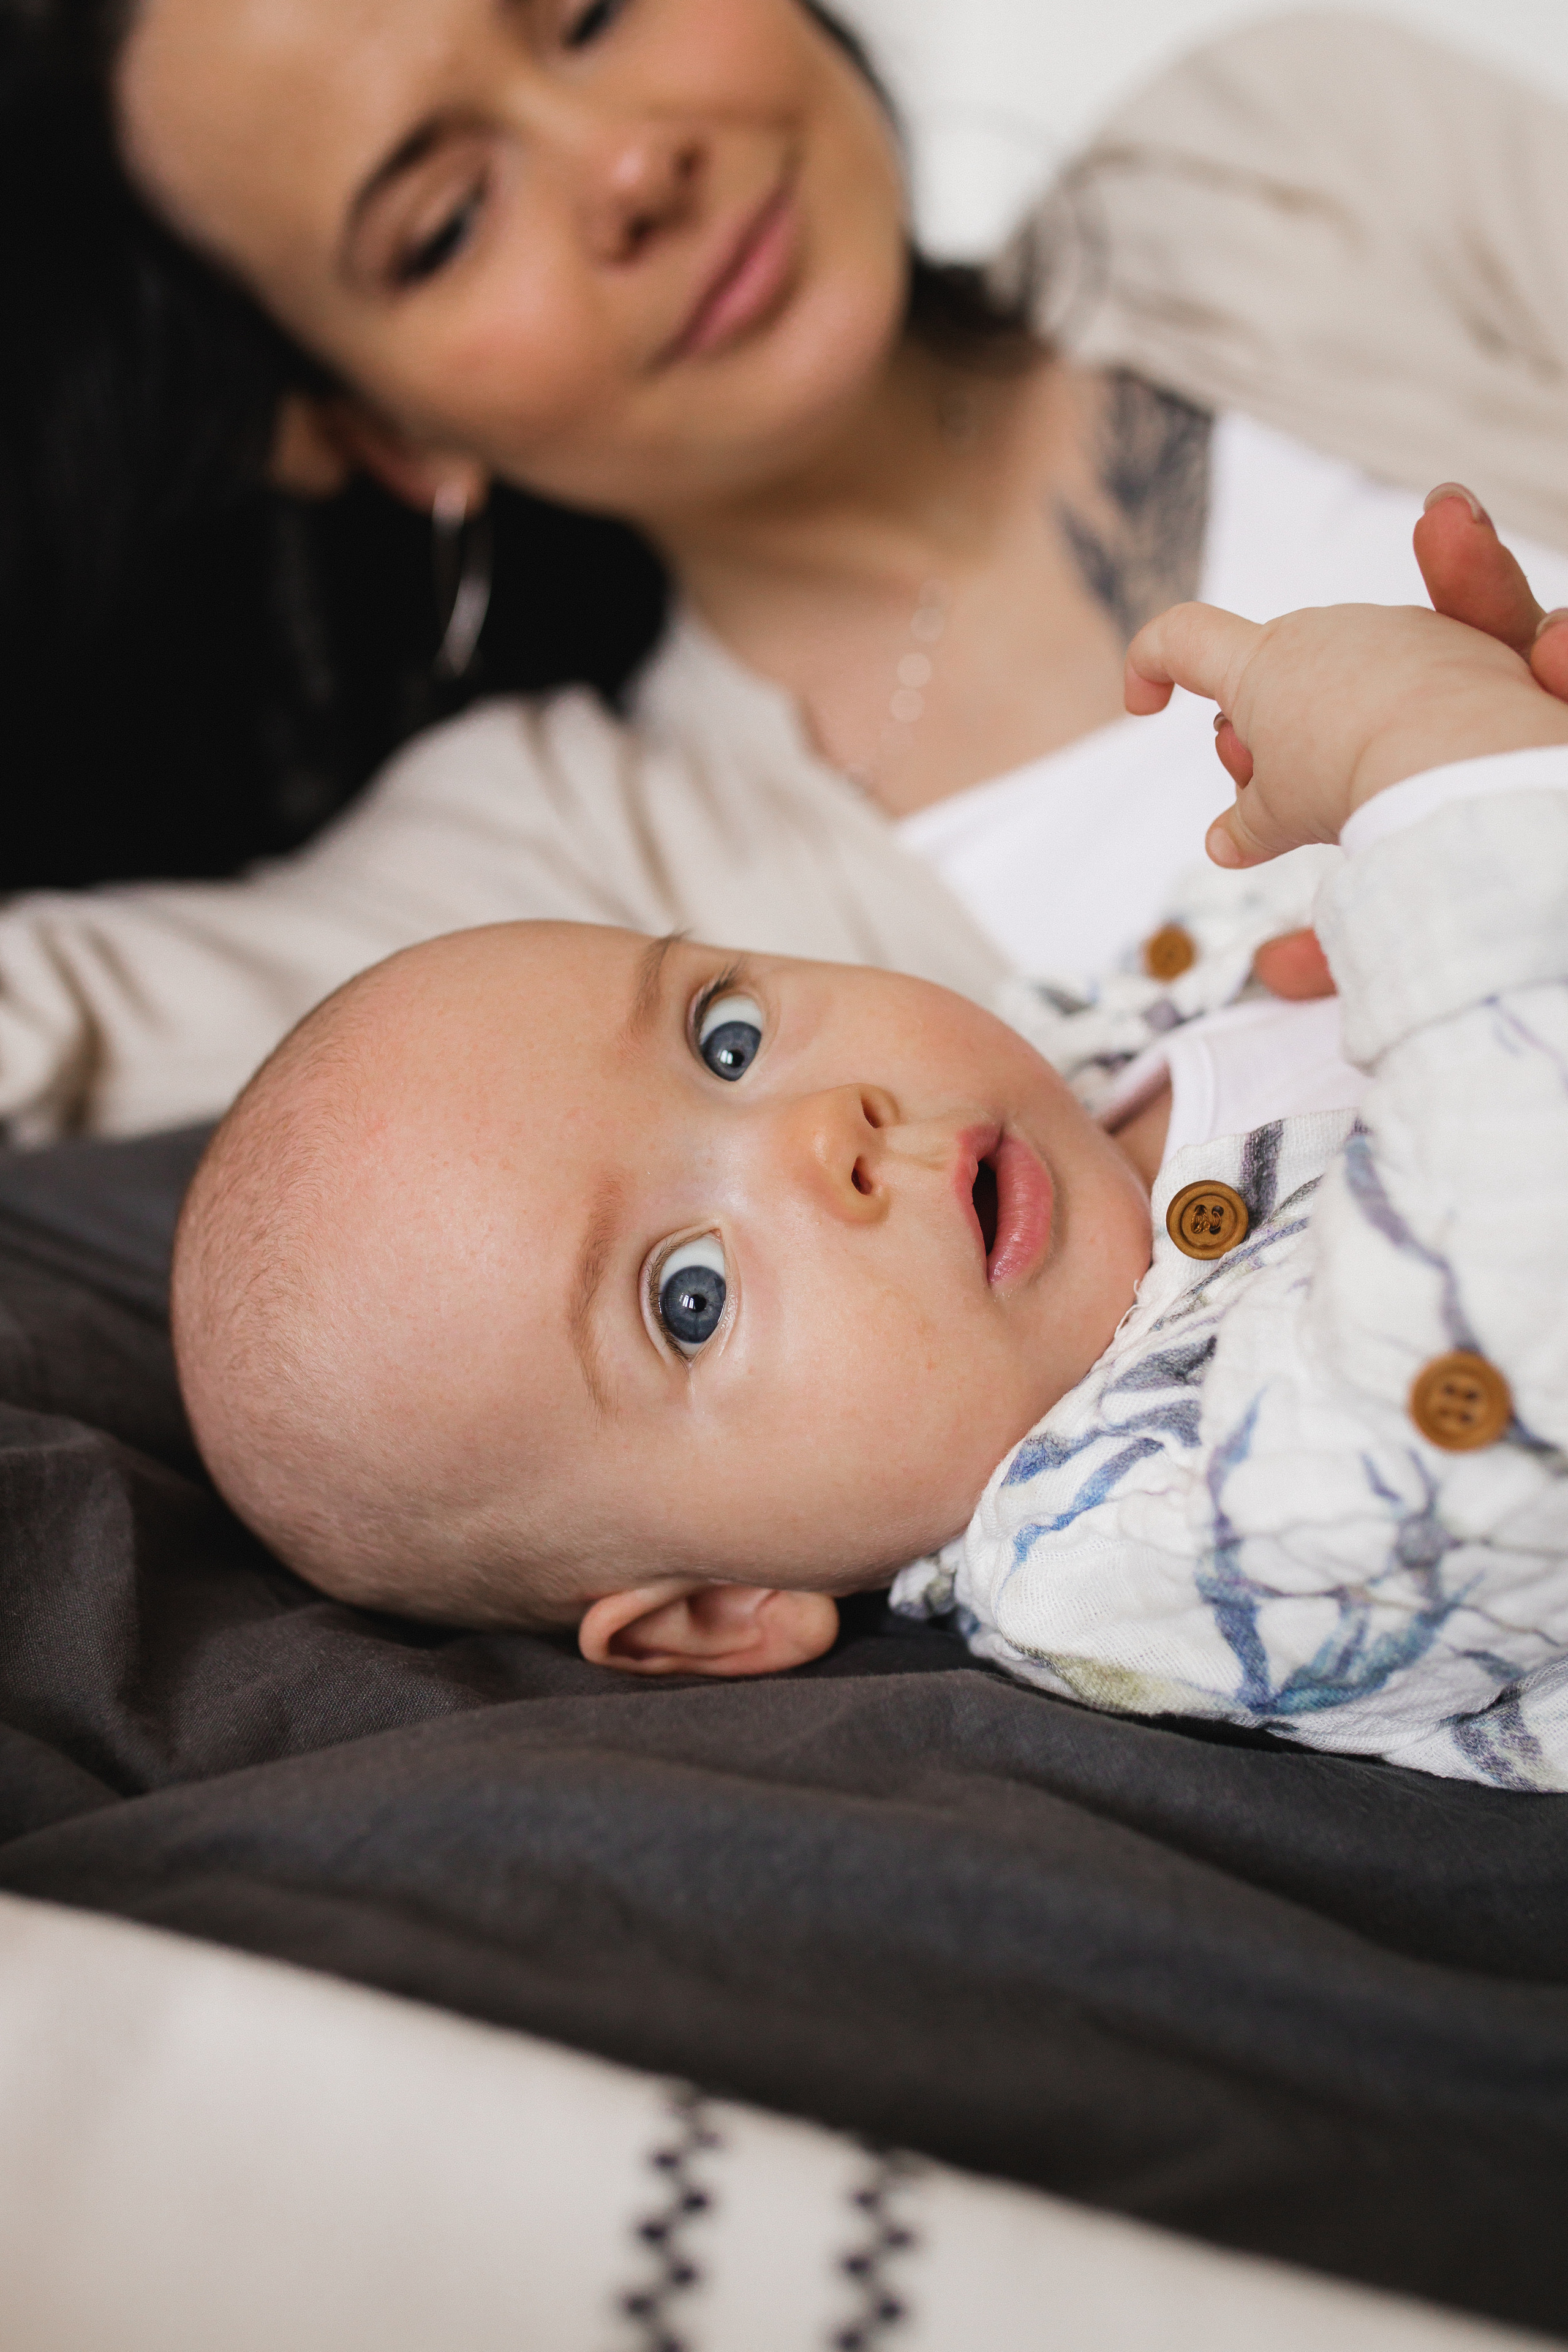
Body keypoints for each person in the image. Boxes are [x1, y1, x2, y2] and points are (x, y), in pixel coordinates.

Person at [1, 5, 1567, 1143]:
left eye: (593, 13)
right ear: (378, 429)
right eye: (447, 219)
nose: (627, 165)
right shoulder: (560, 867)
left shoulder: (1283, 154)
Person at [171, 572, 1568, 1792]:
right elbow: (1498, 1372)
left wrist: (1479, 769)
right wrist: (1438, 769)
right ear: (720, 1608)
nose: (821, 1133)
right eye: (691, 1298)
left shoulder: (1092, 1041)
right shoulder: (1108, 1551)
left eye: (728, 1036)